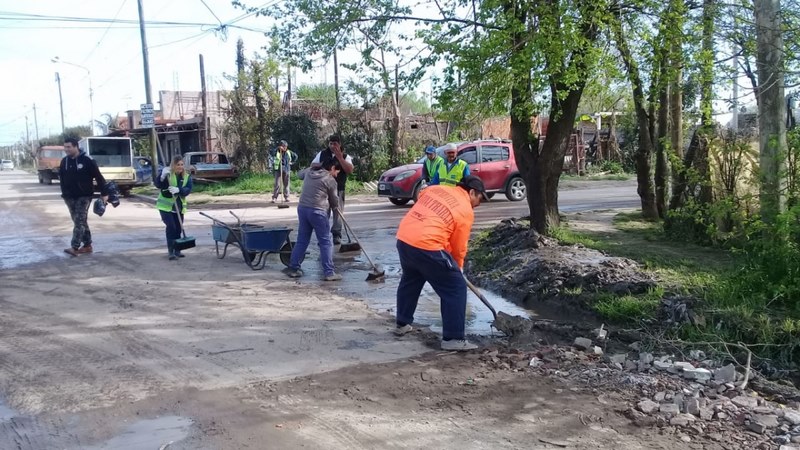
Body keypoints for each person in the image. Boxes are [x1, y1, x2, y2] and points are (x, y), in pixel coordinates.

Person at [393, 175, 489, 351]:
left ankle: (402, 323)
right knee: (456, 287)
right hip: (427, 245)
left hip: (405, 238)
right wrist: (458, 267)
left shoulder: (435, 189)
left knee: (411, 279)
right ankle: (453, 338)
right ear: (472, 192)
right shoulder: (465, 210)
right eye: (480, 197)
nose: (480, 202)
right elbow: (459, 247)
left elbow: (423, 198)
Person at [283, 158, 343, 281]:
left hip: (303, 209)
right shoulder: (330, 180)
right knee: (325, 242)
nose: (336, 175)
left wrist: (310, 166)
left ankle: (293, 268)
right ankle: (329, 273)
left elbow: (299, 174)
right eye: (337, 171)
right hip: (318, 212)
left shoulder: (309, 172)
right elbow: (334, 200)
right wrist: (336, 207)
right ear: (332, 168)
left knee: (302, 240)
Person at [59, 137, 108, 256]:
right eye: (65, 147)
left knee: (79, 221)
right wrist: (64, 194)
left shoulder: (87, 160)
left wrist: (104, 193)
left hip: (84, 196)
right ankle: (87, 245)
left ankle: (74, 247)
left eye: (69, 147)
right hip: (69, 197)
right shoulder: (64, 161)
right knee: (79, 220)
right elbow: (62, 179)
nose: (66, 149)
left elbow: (99, 177)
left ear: (76, 146)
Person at [311, 135, 354, 245]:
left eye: (335, 143)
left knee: (338, 213)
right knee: (323, 213)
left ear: (340, 144)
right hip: (323, 190)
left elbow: (349, 170)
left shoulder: (345, 156)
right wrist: (322, 165)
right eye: (331, 143)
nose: (332, 146)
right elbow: (312, 165)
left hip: (338, 189)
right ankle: (323, 236)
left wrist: (340, 158)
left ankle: (336, 235)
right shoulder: (322, 154)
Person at [154, 155, 193, 260]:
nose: (180, 167)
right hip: (166, 207)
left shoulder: (187, 176)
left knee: (178, 229)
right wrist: (161, 177)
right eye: (177, 165)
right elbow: (158, 185)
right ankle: (171, 251)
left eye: (181, 164)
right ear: (173, 165)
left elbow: (188, 189)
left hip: (179, 208)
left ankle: (177, 250)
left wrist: (179, 190)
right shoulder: (168, 174)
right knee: (171, 227)